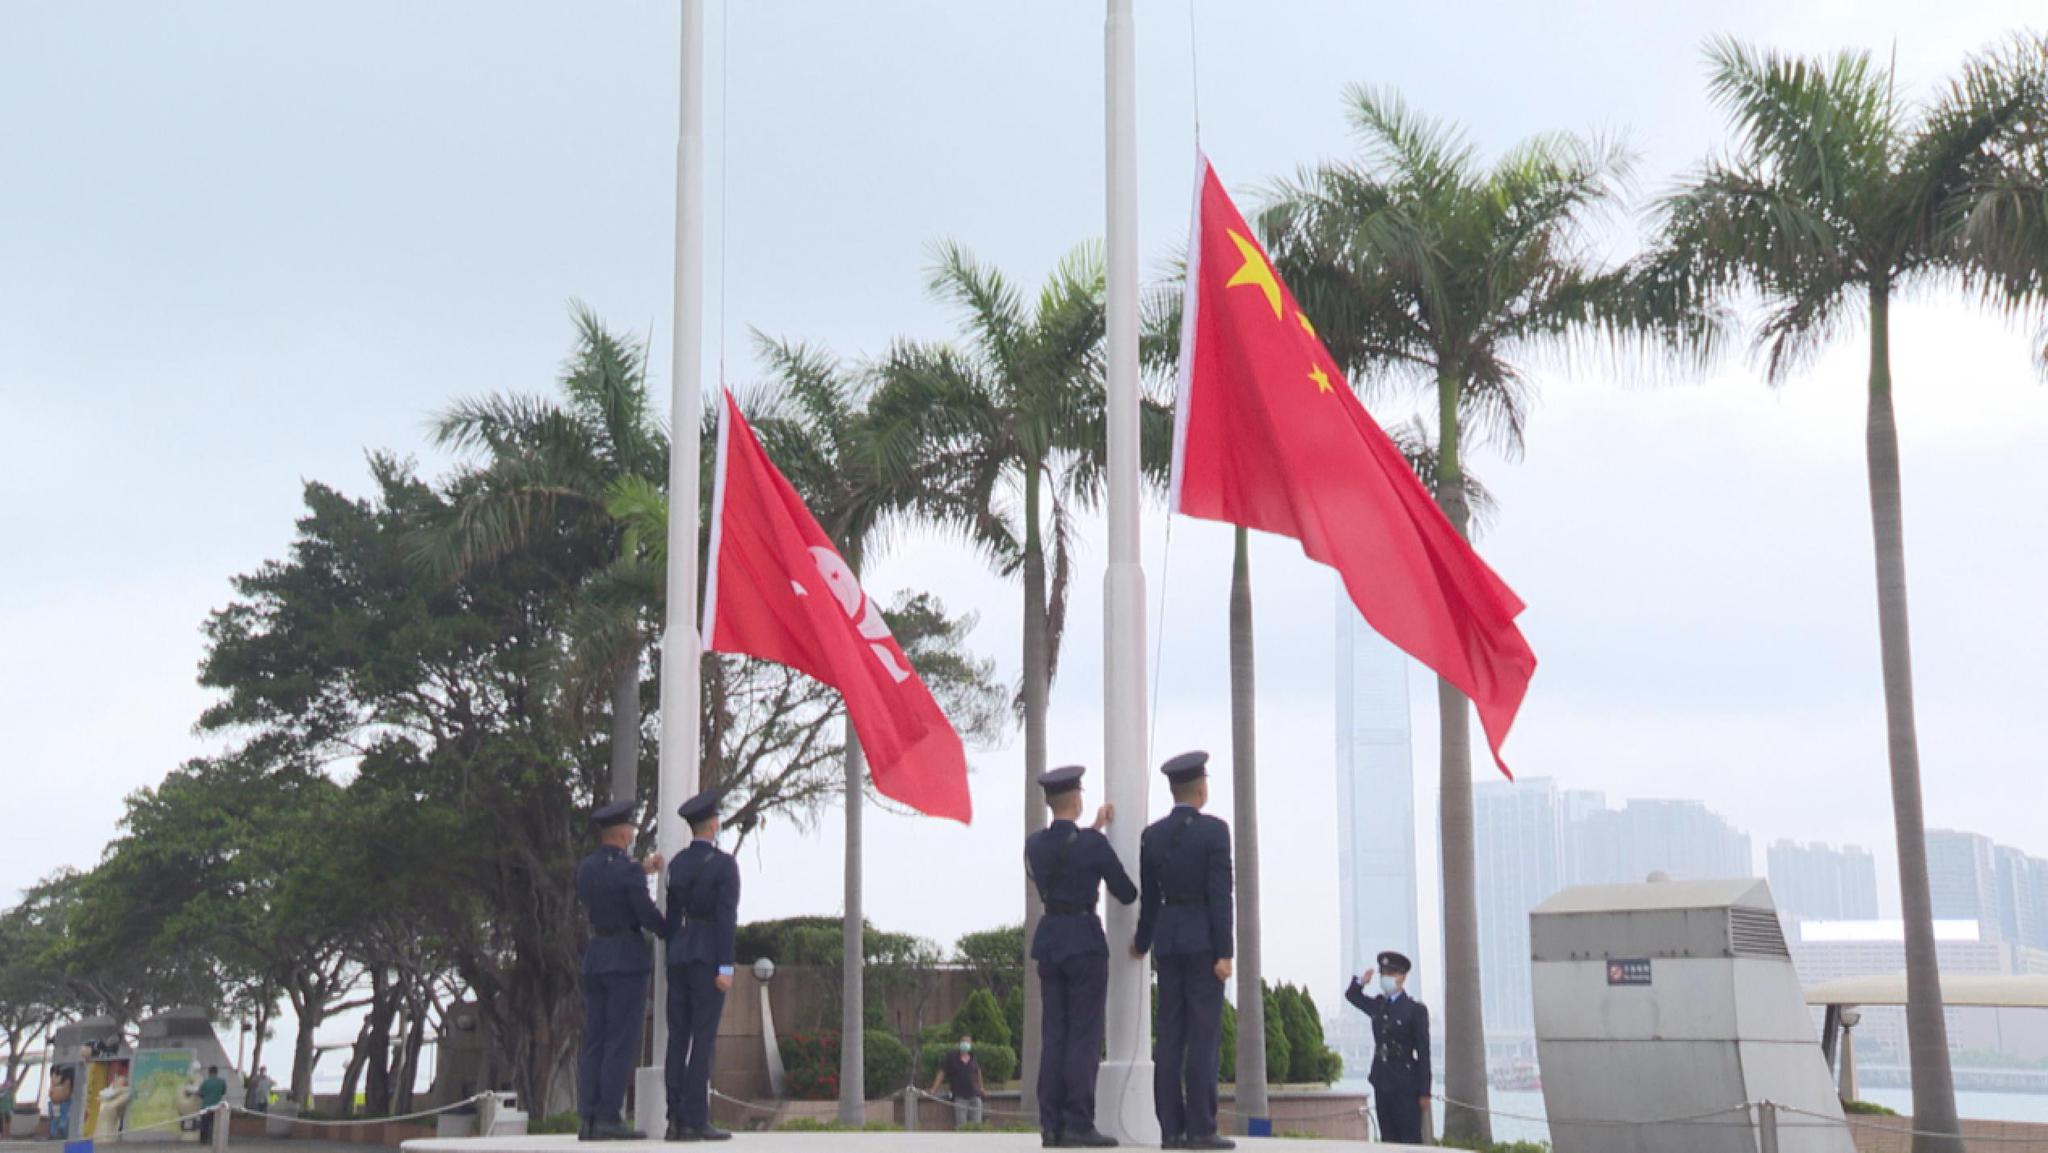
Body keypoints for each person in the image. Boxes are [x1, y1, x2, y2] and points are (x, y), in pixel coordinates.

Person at [1026, 764, 1137, 1148]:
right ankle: (1079, 1122)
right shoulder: (1093, 845)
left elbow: (1062, 853)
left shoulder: (1034, 844)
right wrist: (1096, 834)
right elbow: (1125, 891)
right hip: (1084, 943)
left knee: (1054, 1035)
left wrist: (1092, 828)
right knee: (1084, 1037)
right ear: (1076, 799)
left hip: (1050, 941)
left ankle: (1051, 1125)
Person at [1132, 752, 1235, 1152]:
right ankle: (1201, 1129)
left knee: (1170, 1038)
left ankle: (1170, 1131)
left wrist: (1142, 943)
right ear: (1202, 788)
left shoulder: (1152, 835)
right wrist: (1225, 952)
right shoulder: (1214, 832)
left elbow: (1150, 898)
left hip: (1168, 943)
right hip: (1204, 942)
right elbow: (1219, 896)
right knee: (1204, 1038)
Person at [575, 799, 666, 1142]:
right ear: (624, 833)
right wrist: (671, 929)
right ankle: (608, 1117)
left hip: (597, 954)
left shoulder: (587, 868)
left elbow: (609, 881)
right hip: (625, 958)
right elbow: (644, 912)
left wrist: (640, 869)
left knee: (595, 1040)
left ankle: (588, 1118)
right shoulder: (627, 871)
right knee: (620, 1041)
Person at [663, 788, 740, 1143]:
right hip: (707, 955)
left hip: (679, 954)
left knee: (677, 1038)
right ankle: (696, 1119)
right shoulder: (724, 865)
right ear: (712, 824)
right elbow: (726, 918)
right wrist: (725, 967)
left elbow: (671, 917)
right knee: (703, 1037)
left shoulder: (677, 863)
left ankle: (674, 1118)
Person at [1344, 951, 1431, 1145]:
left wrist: (1425, 1091)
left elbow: (1424, 1053)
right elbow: (1352, 996)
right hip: (1382, 1078)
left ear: (1402, 977)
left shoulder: (1415, 1010)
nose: (1386, 978)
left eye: (1391, 974)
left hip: (1406, 1082)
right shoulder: (1379, 1005)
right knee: (1388, 1138)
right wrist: (1361, 981)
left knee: (1409, 1138)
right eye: (1383, 974)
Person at [928, 1034, 987, 1129]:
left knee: (977, 1126)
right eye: (963, 1041)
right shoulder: (952, 1057)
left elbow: (978, 1072)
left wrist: (981, 1087)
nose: (965, 1044)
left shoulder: (973, 1057)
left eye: (967, 1042)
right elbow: (942, 1073)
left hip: (975, 1096)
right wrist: (934, 1089)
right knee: (961, 1126)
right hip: (960, 1097)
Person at [197, 1066, 228, 1146]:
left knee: (204, 1124)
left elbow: (200, 1093)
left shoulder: (205, 1082)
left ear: (209, 1072)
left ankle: (203, 1140)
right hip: (217, 1107)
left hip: (205, 1107)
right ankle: (214, 1140)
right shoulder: (222, 1082)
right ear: (217, 1072)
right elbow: (223, 1092)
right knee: (215, 1124)